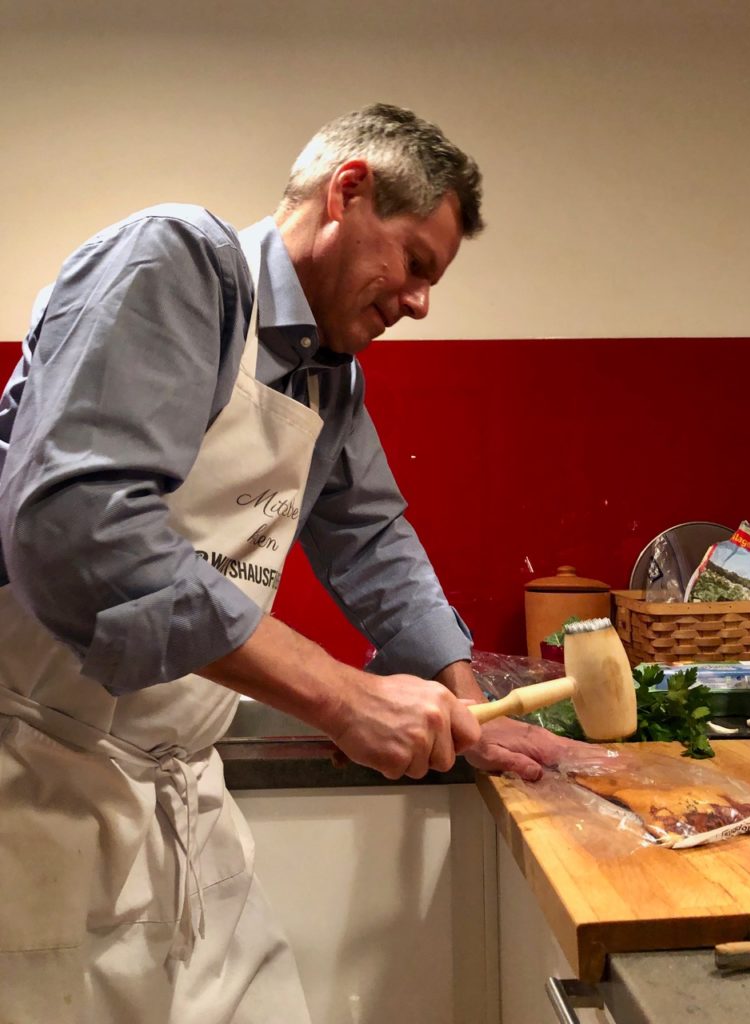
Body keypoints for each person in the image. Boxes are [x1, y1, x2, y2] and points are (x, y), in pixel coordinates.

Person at [0, 103, 586, 1023]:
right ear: (347, 191)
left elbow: (372, 540)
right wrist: (342, 697)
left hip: (180, 792)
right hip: (35, 784)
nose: (420, 303)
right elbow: (81, 529)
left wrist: (466, 707)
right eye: (414, 263)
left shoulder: (326, 375)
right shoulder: (177, 263)